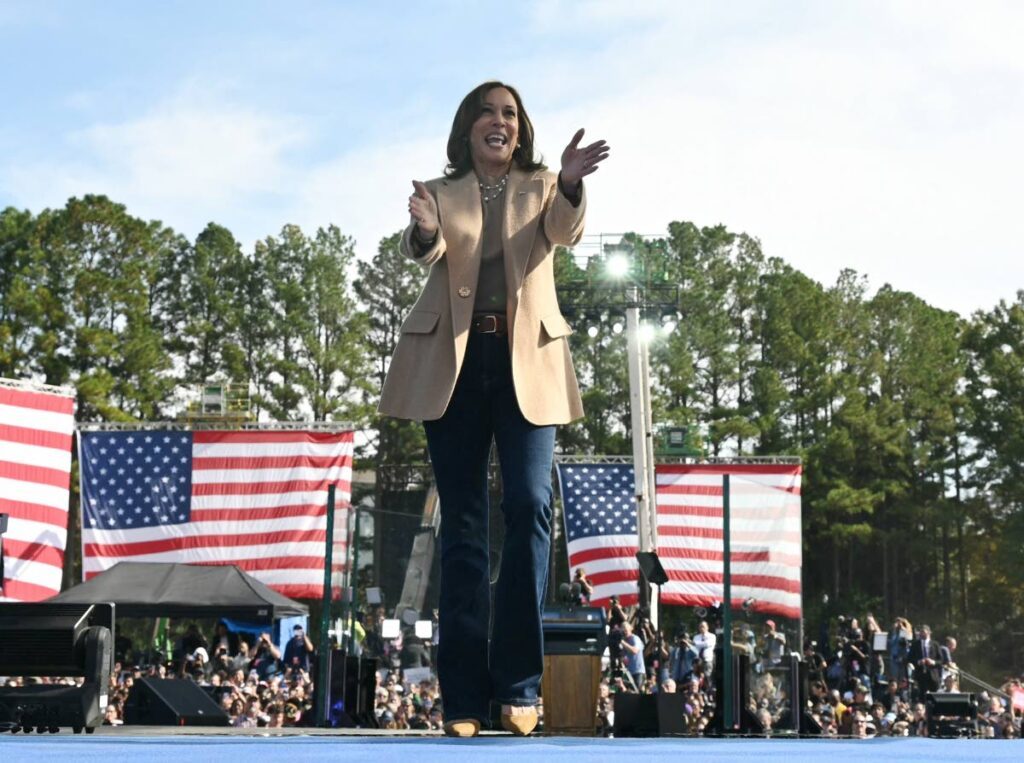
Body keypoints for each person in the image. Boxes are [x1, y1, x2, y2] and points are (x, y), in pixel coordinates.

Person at [377, 80, 609, 738]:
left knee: (531, 507)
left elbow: (565, 229)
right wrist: (423, 230)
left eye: (509, 113)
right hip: (453, 366)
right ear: (468, 127)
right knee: (464, 527)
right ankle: (464, 700)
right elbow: (426, 249)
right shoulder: (443, 192)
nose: (499, 121)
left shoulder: (541, 185)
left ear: (521, 128)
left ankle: (518, 685)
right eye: (488, 112)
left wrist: (567, 180)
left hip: (526, 361)